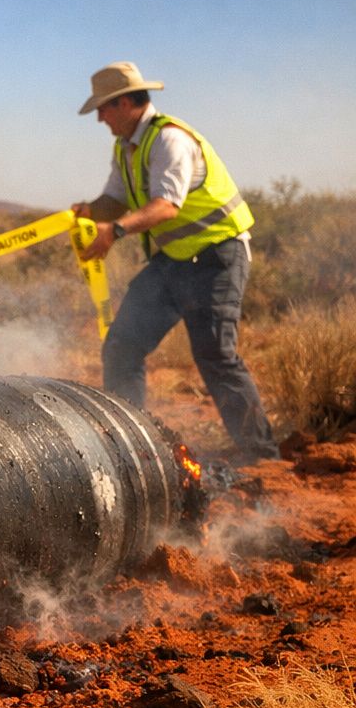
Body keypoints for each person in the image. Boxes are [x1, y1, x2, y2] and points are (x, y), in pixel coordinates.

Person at [71, 61, 278, 461]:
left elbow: (166, 206)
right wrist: (84, 213)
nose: (99, 118)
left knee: (215, 354)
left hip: (218, 255)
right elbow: (113, 200)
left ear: (127, 102)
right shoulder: (125, 147)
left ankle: (263, 455)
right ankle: (129, 448)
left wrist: (113, 231)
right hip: (175, 260)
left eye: (104, 108)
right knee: (122, 346)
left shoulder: (169, 140)